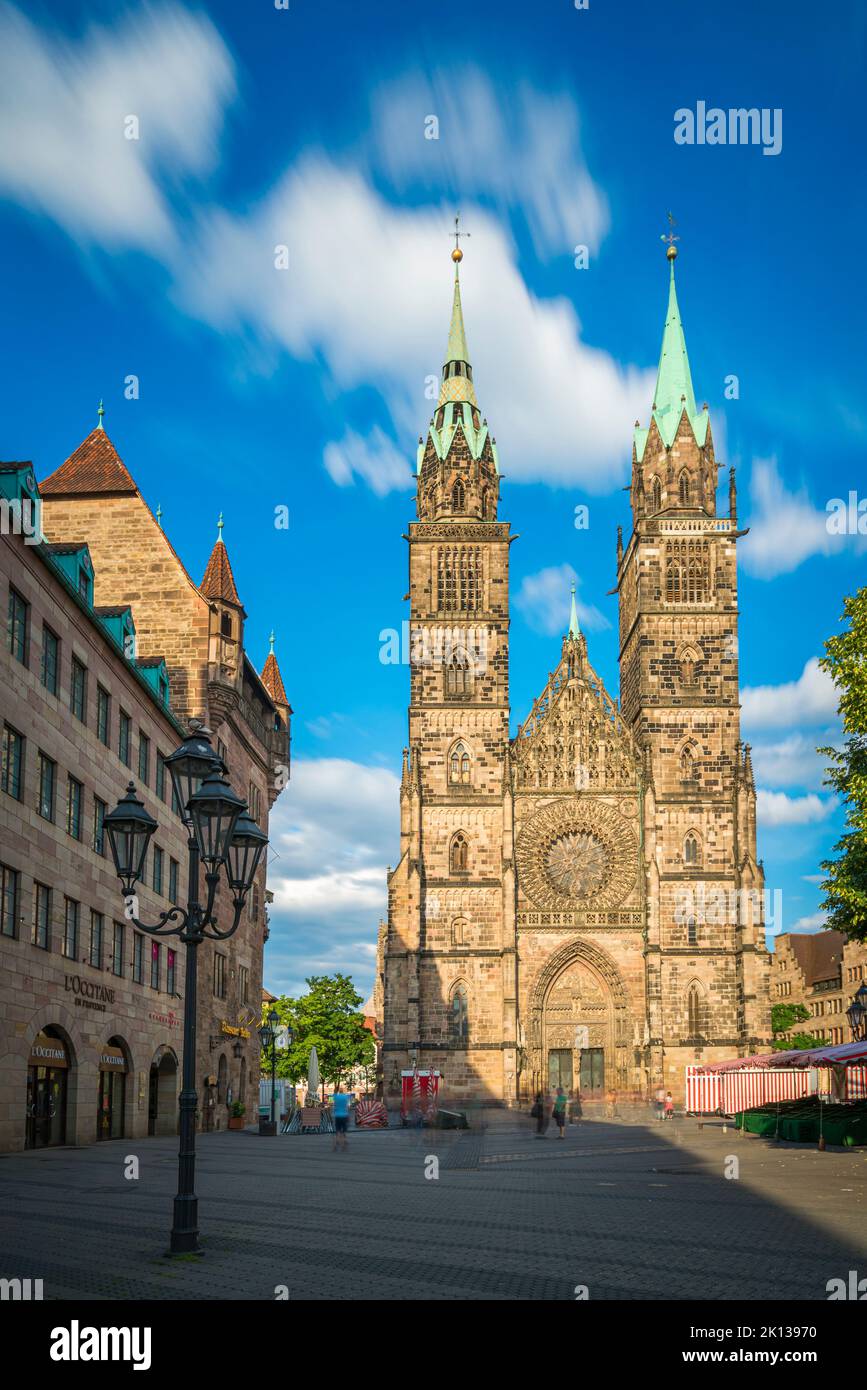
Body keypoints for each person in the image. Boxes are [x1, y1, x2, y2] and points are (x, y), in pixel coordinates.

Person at [332, 1083, 352, 1150]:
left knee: (337, 1131)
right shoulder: (345, 1097)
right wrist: (348, 1116)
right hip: (344, 1116)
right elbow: (347, 1107)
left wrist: (335, 1088)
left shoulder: (336, 1097)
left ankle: (336, 1143)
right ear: (343, 1091)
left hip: (337, 1116)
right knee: (343, 1131)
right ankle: (344, 1145)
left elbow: (334, 1092)